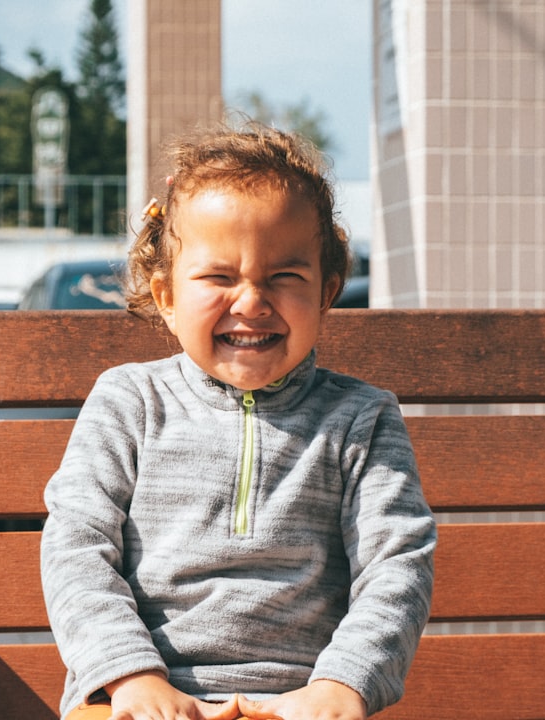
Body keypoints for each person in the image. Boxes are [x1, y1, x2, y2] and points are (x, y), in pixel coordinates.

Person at [40, 123, 436, 720]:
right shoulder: (129, 400)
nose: (251, 301)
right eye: (219, 277)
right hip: (138, 696)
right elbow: (76, 546)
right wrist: (130, 675)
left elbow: (397, 563)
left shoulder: (361, 418)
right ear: (167, 295)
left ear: (327, 292)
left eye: (284, 277)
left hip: (300, 702)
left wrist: (343, 685)